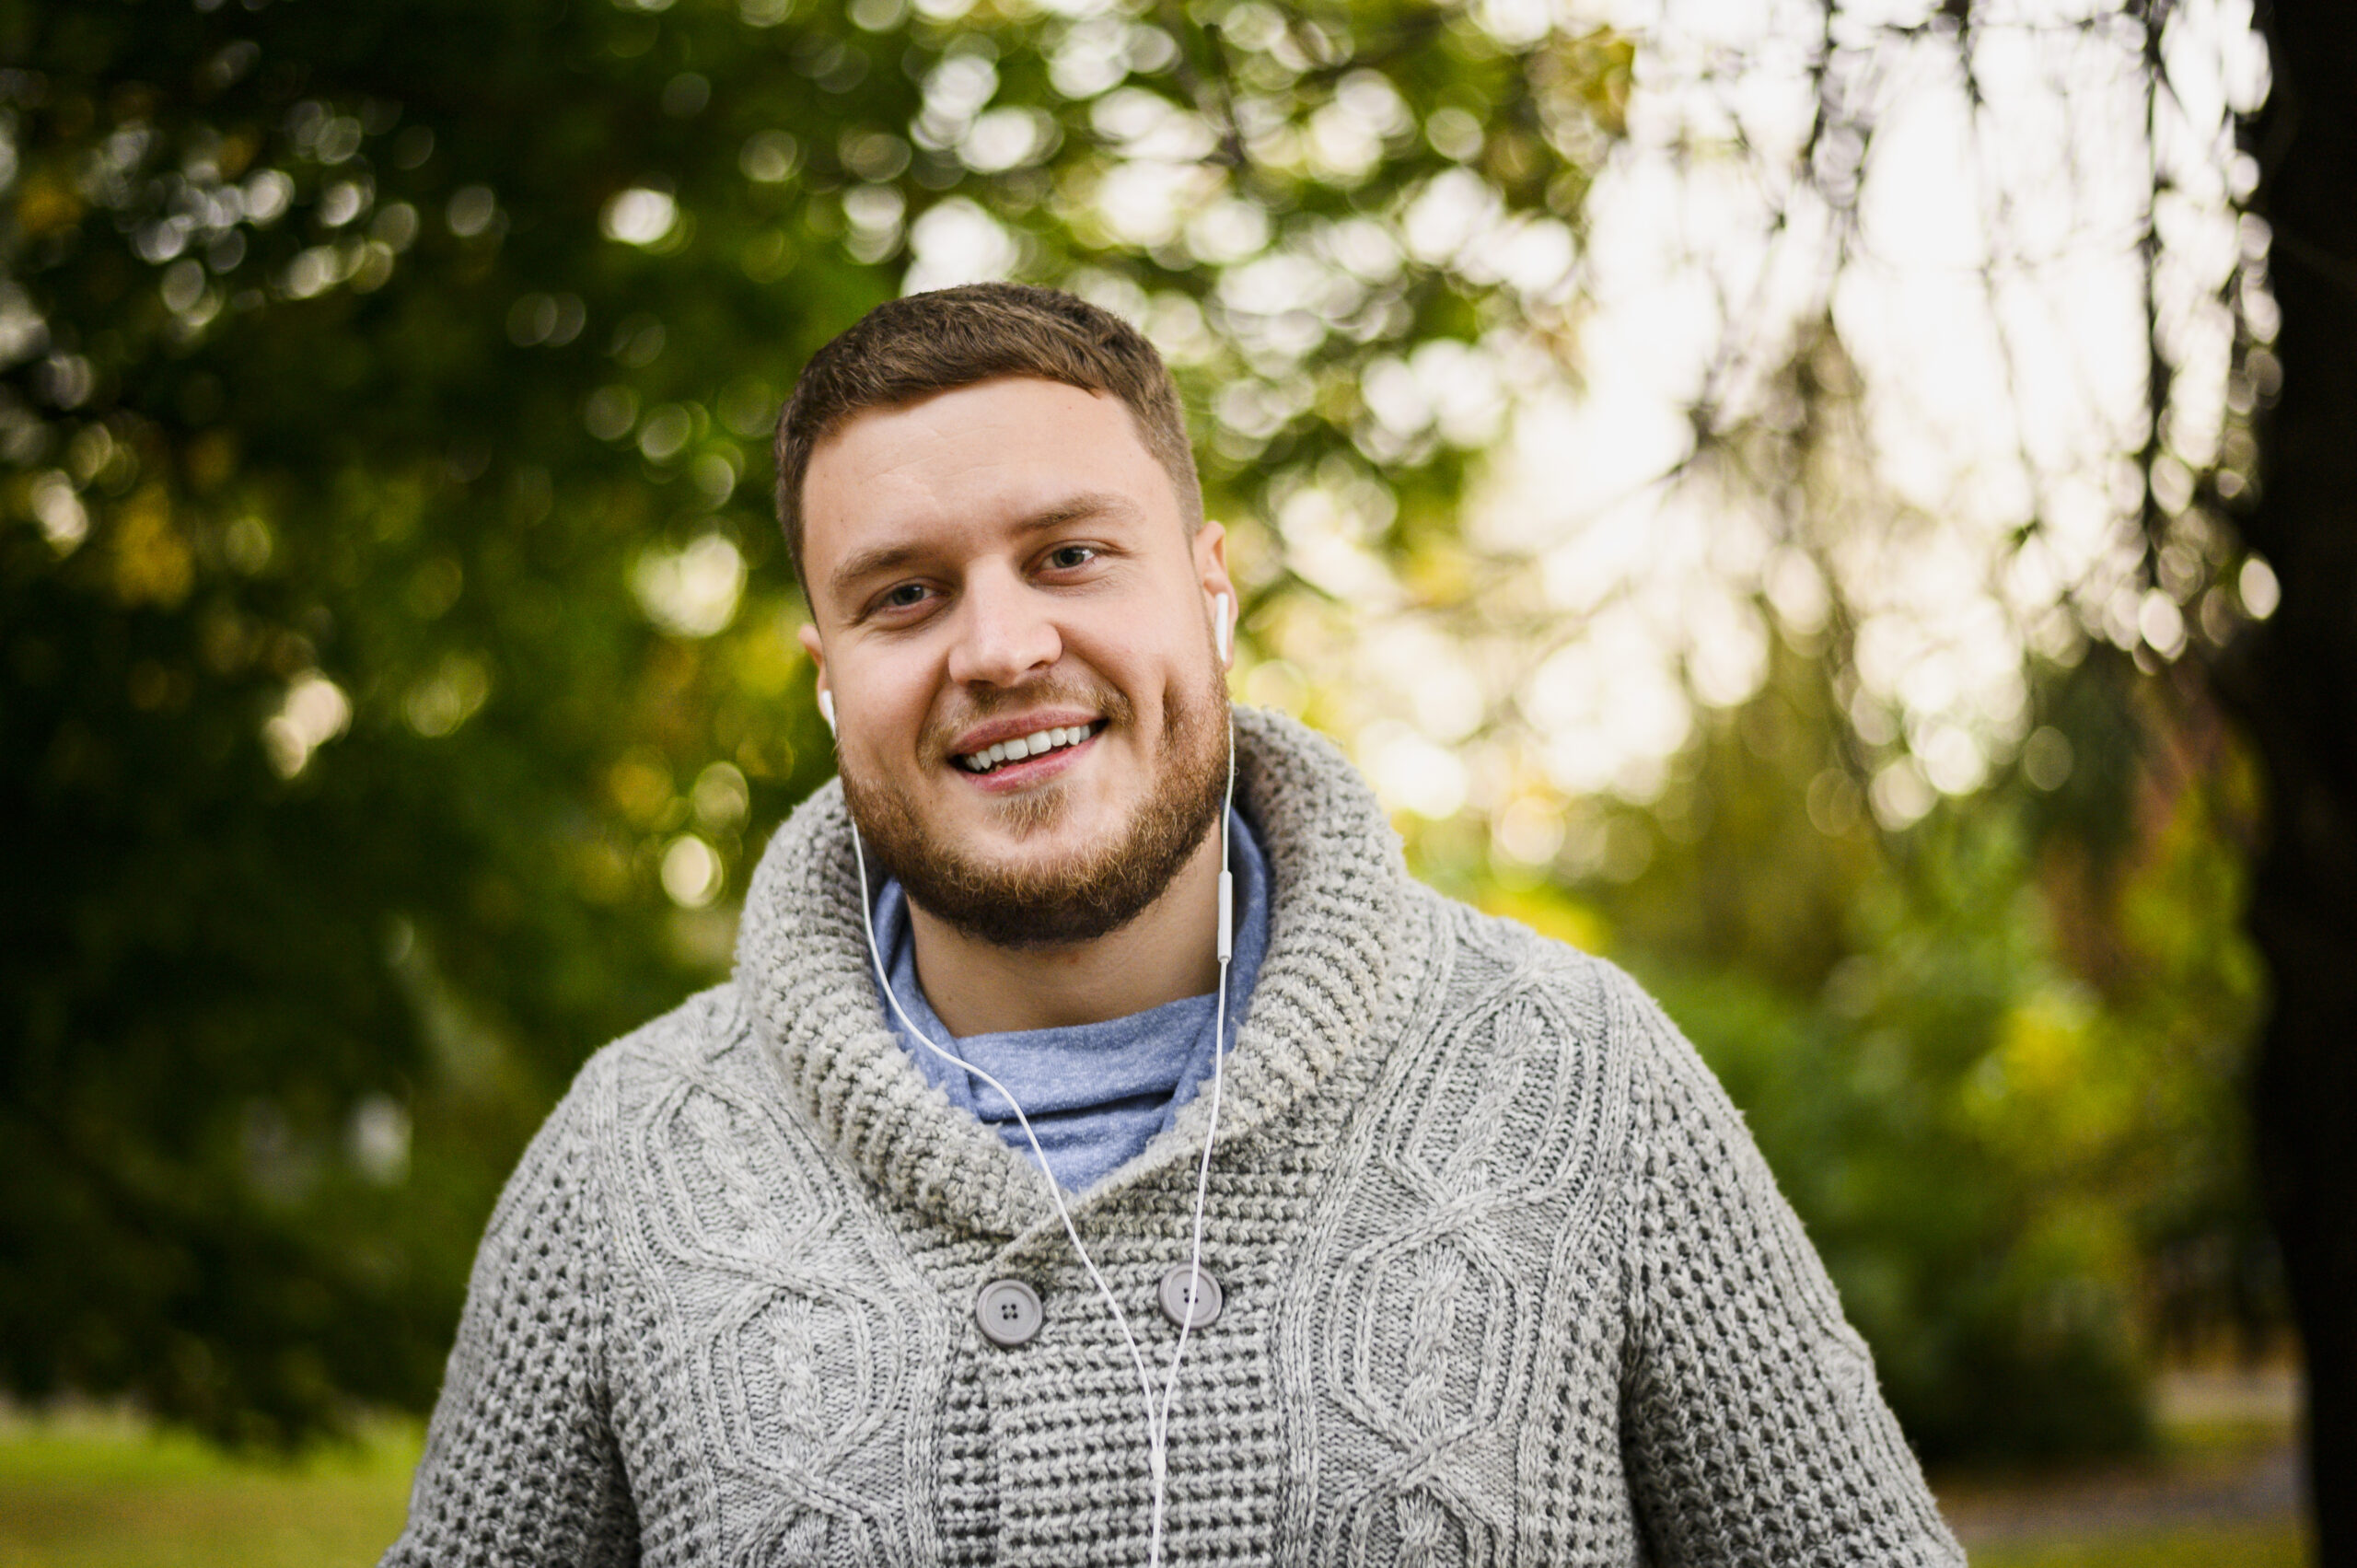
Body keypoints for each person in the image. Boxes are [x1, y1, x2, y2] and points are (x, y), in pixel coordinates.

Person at [384, 284, 1964, 1565]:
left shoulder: (1581, 1080)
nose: (1001, 648)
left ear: (1210, 590)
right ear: (824, 674)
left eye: (1071, 556)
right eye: (903, 597)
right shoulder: (626, 1164)